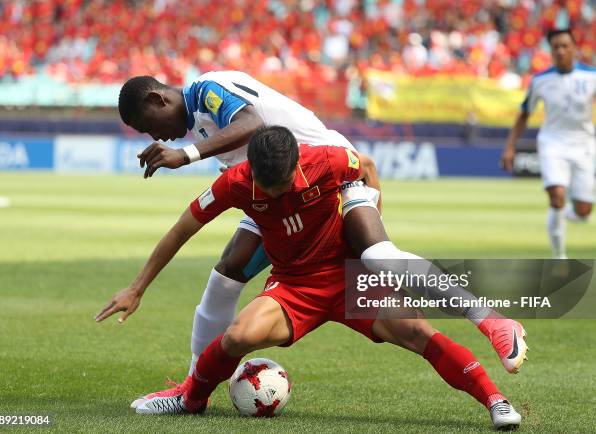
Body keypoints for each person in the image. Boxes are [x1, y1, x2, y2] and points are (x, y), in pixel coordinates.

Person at [96, 126, 522, 430]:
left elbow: (366, 167)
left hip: (351, 277)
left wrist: (370, 218)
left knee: (416, 332)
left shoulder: (331, 160)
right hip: (295, 285)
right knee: (239, 336)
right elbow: (182, 228)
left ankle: (495, 401)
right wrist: (138, 286)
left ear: (298, 163)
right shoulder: (236, 183)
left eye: (281, 185)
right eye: (266, 186)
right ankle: (191, 398)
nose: (275, 194)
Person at [118, 71, 527, 376]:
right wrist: (137, 287)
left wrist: (186, 155)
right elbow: (188, 221)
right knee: (226, 273)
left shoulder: (206, 90)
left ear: (157, 98)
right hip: (275, 191)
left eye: (148, 124)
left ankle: (493, 322)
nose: (157, 136)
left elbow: (253, 125)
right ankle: (195, 382)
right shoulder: (201, 121)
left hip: (333, 174)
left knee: (380, 257)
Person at [502, 29, 595, 259]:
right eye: (556, 47)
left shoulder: (591, 76)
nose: (560, 51)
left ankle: (570, 214)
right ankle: (559, 257)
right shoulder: (540, 80)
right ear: (551, 51)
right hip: (553, 143)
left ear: (574, 48)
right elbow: (524, 115)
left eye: (565, 46)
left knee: (584, 211)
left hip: (584, 144)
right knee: (557, 195)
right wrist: (510, 147)